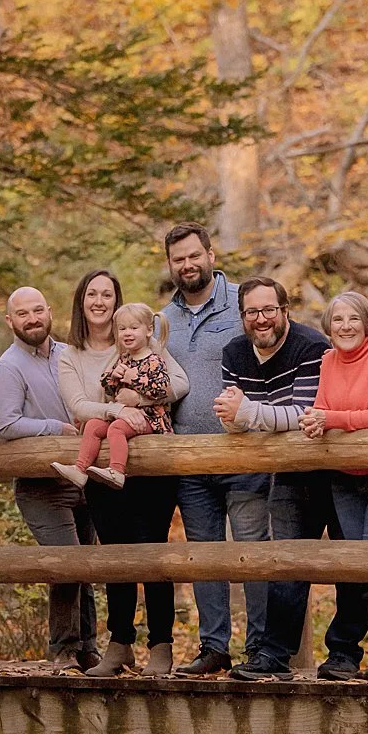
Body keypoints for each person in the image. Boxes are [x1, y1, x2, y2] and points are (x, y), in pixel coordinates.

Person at [57, 270, 187, 675]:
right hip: (103, 470)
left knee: (152, 553)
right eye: (91, 294)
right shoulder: (71, 354)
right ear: (81, 302)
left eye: (107, 295)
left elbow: (179, 384)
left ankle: (161, 644)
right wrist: (116, 408)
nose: (99, 301)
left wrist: (138, 397)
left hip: (149, 469)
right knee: (115, 555)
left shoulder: (145, 346)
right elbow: (79, 405)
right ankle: (120, 644)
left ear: (118, 303)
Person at [161, 225, 269, 677]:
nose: (187, 265)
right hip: (189, 457)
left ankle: (262, 648)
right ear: (170, 265)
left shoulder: (244, 302)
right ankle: (213, 647)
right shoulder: (163, 319)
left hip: (244, 450)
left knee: (252, 552)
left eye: (194, 255)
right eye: (178, 259)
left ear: (210, 255)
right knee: (203, 555)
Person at [214, 277, 330, 679]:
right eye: (252, 312)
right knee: (285, 563)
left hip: (331, 465)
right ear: (242, 315)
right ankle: (273, 658)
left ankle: (352, 654)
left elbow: (303, 413)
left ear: (284, 310)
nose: (261, 319)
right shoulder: (234, 352)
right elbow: (232, 418)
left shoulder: (311, 346)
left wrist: (248, 413)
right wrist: (241, 417)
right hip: (287, 472)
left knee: (356, 563)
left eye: (269, 310)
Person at [300, 291, 368, 682]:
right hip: (344, 478)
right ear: (328, 327)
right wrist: (314, 423)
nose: (345, 326)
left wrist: (328, 419)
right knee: (355, 568)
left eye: (353, 319)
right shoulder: (328, 361)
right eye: (338, 320)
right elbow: (321, 406)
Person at [0, 287, 98, 672]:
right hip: (41, 486)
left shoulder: (71, 354)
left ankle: (88, 648)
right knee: (67, 563)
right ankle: (64, 649)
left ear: (50, 312)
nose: (32, 319)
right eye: (23, 314)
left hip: (84, 477)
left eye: (37, 310)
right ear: (10, 321)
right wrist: (56, 427)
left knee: (87, 565)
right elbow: (5, 424)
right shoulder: (6, 368)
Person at [54, 302, 175, 490]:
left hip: (151, 418)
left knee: (116, 428)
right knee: (93, 425)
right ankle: (80, 469)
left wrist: (135, 379)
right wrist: (112, 377)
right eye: (122, 329)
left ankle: (117, 470)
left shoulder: (154, 359)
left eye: (134, 328)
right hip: (125, 416)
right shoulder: (124, 358)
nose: (127, 333)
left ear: (149, 330)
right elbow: (109, 390)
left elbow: (162, 389)